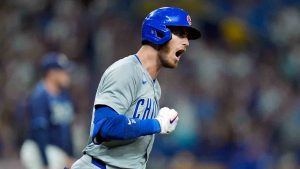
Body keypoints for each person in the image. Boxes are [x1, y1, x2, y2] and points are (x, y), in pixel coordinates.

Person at [71, 7, 201, 169]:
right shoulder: (126, 70)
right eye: (181, 34)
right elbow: (104, 125)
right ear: (158, 33)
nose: (187, 43)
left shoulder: (155, 86)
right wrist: (157, 124)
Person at [20, 52, 75, 169]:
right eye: (64, 72)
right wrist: (45, 162)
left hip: (57, 151)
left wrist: (69, 155)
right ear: (52, 73)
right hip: (38, 150)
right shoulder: (39, 96)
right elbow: (40, 132)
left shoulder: (64, 96)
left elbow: (67, 129)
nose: (67, 75)